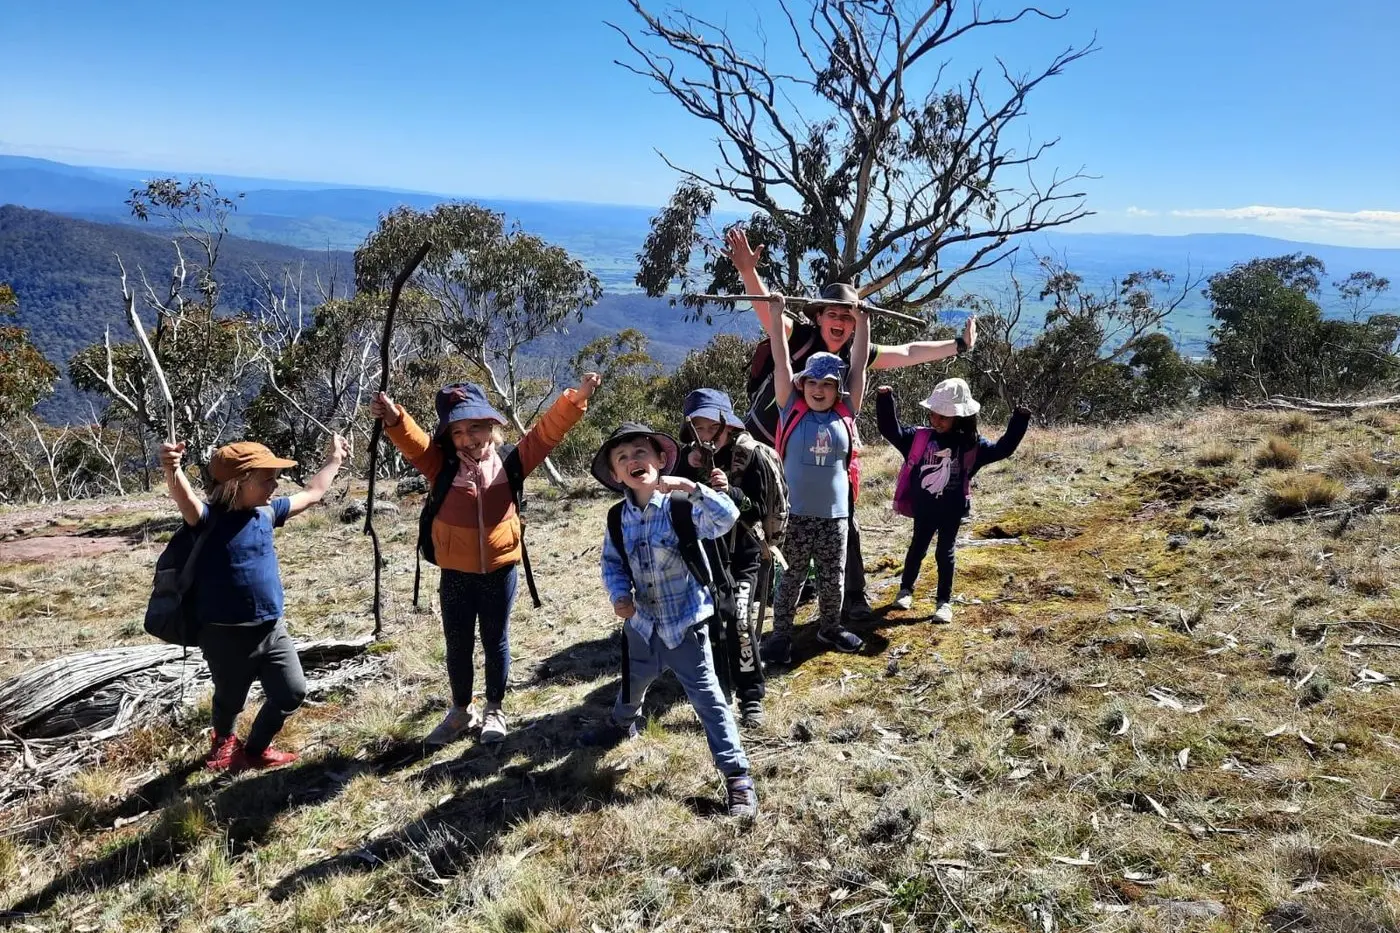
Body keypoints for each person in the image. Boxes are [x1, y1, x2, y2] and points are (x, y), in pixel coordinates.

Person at [725, 227, 977, 623]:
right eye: (833, 313)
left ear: (856, 323)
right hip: (771, 443)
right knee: (766, 514)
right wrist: (746, 271)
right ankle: (759, 588)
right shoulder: (801, 337)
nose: (840, 320)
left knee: (842, 517)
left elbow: (909, 352)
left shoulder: (858, 355)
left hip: (825, 452)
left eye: (848, 315)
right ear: (819, 316)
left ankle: (851, 596)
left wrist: (957, 345)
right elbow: (768, 316)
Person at [370, 375, 600, 746]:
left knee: (495, 640)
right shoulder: (440, 465)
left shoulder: (512, 462)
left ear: (492, 426)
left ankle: (495, 708)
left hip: (500, 570)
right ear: (449, 437)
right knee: (457, 644)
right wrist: (395, 418)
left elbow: (545, 434)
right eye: (458, 432)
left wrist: (576, 400)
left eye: (475, 427)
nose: (468, 438)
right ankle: (461, 711)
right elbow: (413, 444)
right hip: (455, 574)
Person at [581, 422, 758, 819]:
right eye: (622, 457)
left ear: (661, 460)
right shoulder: (616, 519)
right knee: (634, 681)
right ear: (615, 474)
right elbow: (612, 563)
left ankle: (736, 776)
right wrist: (619, 595)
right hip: (642, 626)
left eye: (641, 453)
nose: (633, 461)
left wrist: (691, 488)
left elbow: (726, 517)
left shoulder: (682, 507)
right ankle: (623, 723)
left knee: (708, 699)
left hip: (685, 626)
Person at [161, 435, 350, 772]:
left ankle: (256, 749)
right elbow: (185, 498)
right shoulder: (206, 519)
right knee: (229, 699)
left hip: (272, 628)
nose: (275, 485)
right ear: (237, 484)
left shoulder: (266, 512)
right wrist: (171, 468)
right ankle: (224, 744)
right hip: (224, 635)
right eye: (267, 478)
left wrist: (334, 461)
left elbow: (312, 494)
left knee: (291, 692)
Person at [762, 294, 870, 664]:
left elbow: (858, 366)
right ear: (802, 384)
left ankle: (830, 626)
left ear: (837, 388)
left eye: (826, 384)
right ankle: (780, 636)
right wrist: (776, 315)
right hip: (797, 514)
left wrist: (863, 321)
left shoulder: (846, 412)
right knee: (789, 578)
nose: (819, 390)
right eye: (812, 383)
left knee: (832, 576)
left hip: (835, 515)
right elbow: (780, 358)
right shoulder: (790, 408)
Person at [876, 379, 1030, 621]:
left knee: (944, 553)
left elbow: (1002, 449)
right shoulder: (919, 438)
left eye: (943, 417)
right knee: (917, 548)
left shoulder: (971, 445)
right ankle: (905, 590)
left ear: (960, 417)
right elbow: (890, 430)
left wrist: (1019, 420)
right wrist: (885, 399)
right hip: (924, 509)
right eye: (933, 414)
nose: (936, 421)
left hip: (952, 512)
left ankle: (943, 603)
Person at [676, 388, 771, 727]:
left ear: (727, 426)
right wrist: (686, 470)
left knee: (741, 622)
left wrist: (730, 492)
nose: (703, 436)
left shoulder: (750, 457)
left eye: (709, 427)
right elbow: (665, 498)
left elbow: (759, 510)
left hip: (744, 556)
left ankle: (751, 696)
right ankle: (720, 688)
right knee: (713, 624)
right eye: (697, 428)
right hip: (705, 561)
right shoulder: (684, 460)